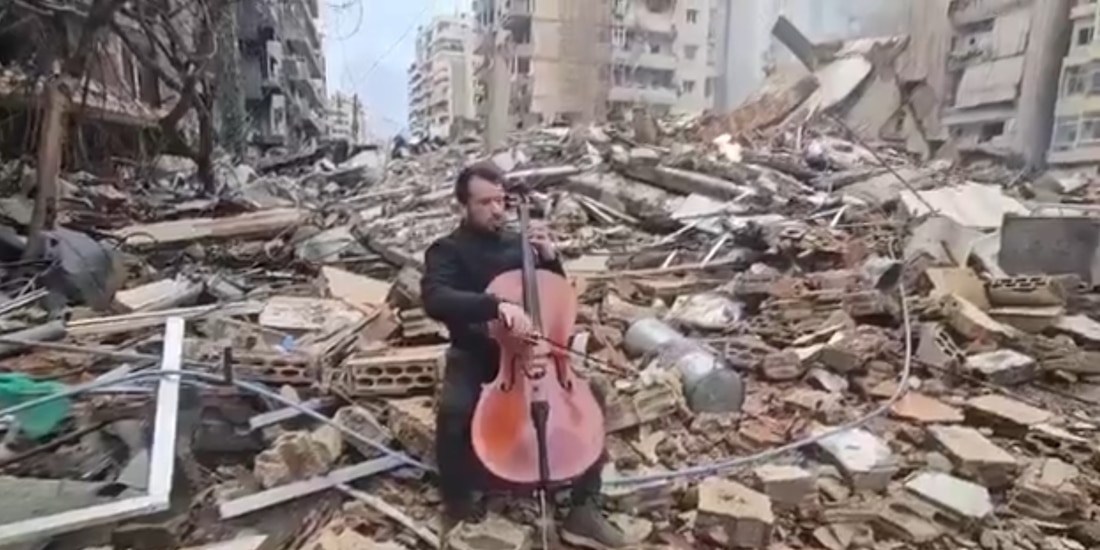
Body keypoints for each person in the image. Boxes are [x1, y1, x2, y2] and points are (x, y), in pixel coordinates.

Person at [421, 162, 627, 549]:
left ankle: (583, 509)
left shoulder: (519, 246)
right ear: (462, 206)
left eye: (500, 201)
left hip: (538, 356)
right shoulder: (447, 250)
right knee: (454, 410)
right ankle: (457, 504)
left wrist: (549, 259)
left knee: (594, 398)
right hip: (479, 356)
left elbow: (556, 299)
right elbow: (435, 298)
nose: (497, 210)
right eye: (485, 202)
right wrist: (494, 306)